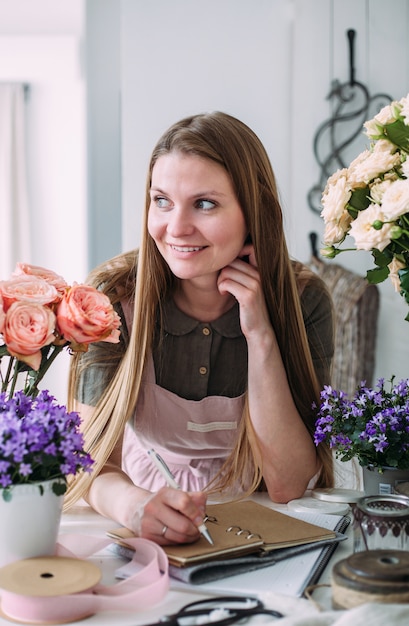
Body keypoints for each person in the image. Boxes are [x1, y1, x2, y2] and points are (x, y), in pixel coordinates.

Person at [65, 111, 334, 546]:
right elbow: (86, 464)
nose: (176, 228)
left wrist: (261, 335)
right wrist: (136, 507)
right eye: (162, 200)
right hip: (143, 500)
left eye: (204, 203)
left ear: (254, 211)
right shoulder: (112, 297)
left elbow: (290, 486)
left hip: (266, 513)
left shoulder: (303, 300)